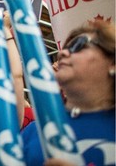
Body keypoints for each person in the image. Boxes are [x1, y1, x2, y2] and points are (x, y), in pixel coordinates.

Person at [21, 21, 115, 165]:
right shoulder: (35, 130)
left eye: (79, 45)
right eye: (65, 48)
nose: (62, 53)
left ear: (112, 63)